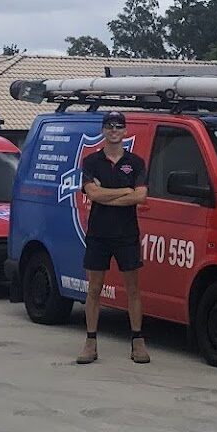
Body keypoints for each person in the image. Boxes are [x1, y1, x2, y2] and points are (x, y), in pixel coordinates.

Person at [76, 110, 150, 364]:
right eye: (109, 126)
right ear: (103, 130)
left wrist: (106, 193)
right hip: (98, 234)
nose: (114, 130)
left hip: (127, 234)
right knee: (94, 289)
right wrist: (124, 192)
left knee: (133, 289)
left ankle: (138, 342)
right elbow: (92, 194)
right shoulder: (91, 161)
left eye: (119, 126)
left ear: (125, 131)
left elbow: (140, 197)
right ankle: (90, 342)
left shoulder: (136, 162)